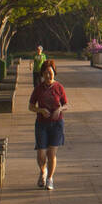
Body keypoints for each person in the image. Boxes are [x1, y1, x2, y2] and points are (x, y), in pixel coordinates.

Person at [29, 60, 67, 190]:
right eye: (46, 73)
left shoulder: (59, 87)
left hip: (56, 124)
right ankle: (42, 171)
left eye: (50, 73)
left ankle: (50, 178)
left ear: (54, 73)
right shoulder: (38, 89)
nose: (48, 76)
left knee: (52, 153)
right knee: (41, 154)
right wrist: (40, 110)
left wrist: (59, 110)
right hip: (41, 124)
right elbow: (31, 106)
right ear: (42, 74)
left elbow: (66, 104)